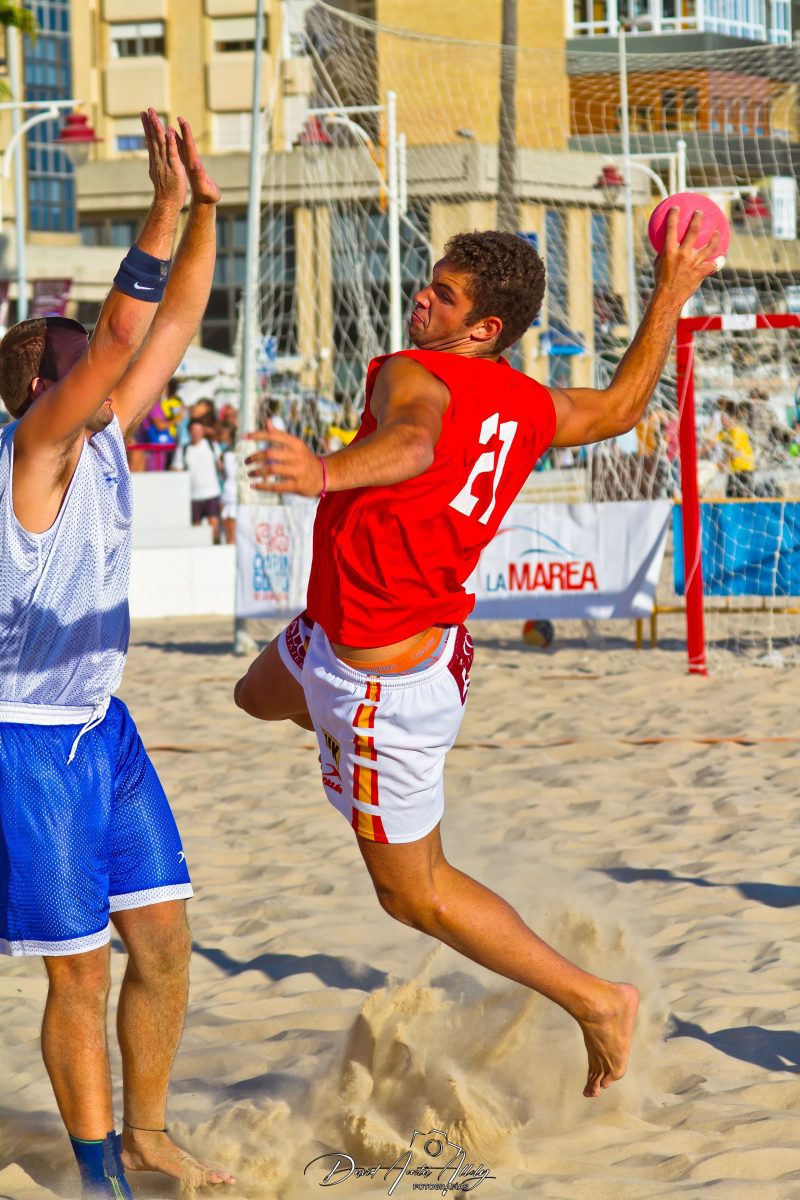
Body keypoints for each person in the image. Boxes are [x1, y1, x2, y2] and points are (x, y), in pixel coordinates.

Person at [234, 211, 720, 1099]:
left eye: (444, 294)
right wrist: (670, 295)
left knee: (413, 896)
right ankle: (325, 723)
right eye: (431, 280)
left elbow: (416, 439)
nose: (423, 297)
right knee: (251, 694)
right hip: (374, 638)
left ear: (482, 329)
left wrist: (324, 474)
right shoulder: (527, 402)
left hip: (378, 680)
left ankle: (596, 1000)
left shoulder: (414, 372)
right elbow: (618, 408)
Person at [0, 110, 232, 1197]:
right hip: (27, 743)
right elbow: (120, 339)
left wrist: (205, 216)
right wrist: (156, 206)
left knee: (169, 947)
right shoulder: (39, 445)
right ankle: (100, 1179)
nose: (115, 365)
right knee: (78, 978)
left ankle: (146, 1134)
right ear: (42, 387)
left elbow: (169, 327)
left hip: (104, 724)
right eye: (85, 359)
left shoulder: (97, 436)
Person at [177, 415, 223, 541]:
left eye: (198, 430)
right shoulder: (184, 449)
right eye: (193, 430)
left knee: (214, 525)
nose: (196, 433)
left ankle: (215, 549)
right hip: (193, 495)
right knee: (196, 528)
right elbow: (177, 469)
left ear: (203, 431)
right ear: (189, 432)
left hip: (212, 492)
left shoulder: (211, 445)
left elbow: (221, 465)